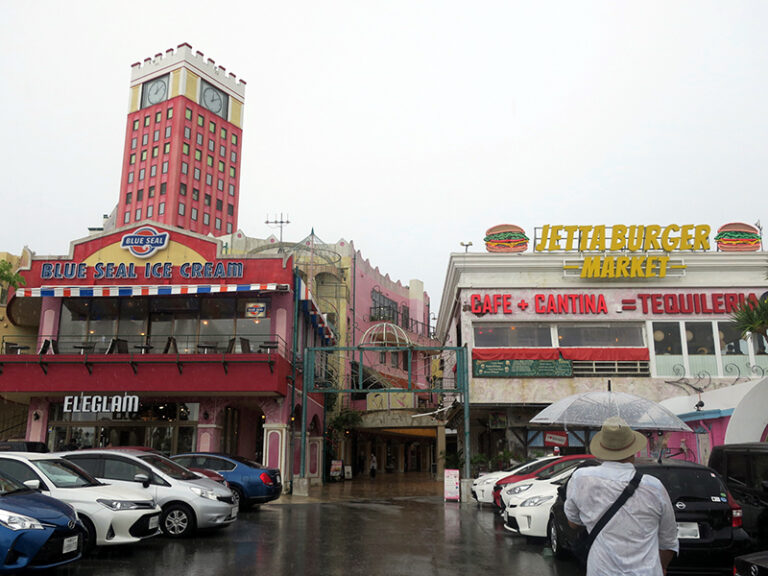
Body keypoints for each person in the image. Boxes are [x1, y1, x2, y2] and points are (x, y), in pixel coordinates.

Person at [565, 417, 679, 576]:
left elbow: (573, 522)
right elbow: (668, 541)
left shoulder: (581, 479)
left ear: (602, 450)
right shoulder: (654, 487)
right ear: (632, 450)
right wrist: (662, 566)